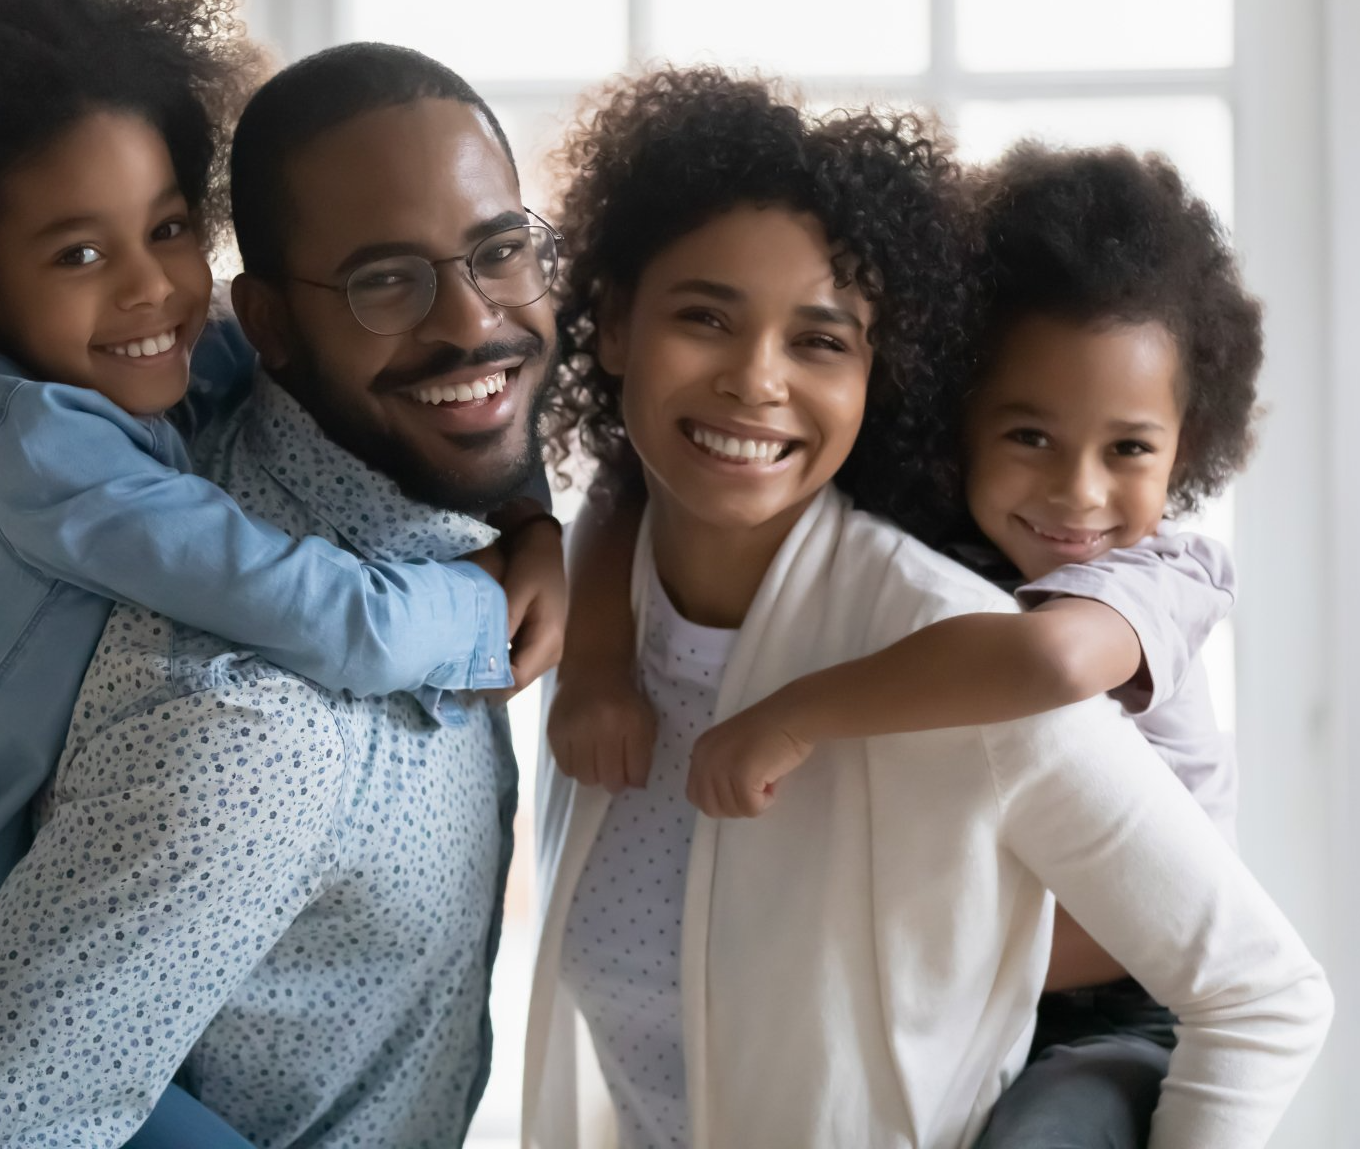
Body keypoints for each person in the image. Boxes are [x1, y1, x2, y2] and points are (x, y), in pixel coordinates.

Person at [0, 0, 559, 1149]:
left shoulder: (160, 363)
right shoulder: (53, 462)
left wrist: (536, 521)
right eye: (79, 253)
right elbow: (311, 611)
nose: (153, 287)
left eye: (167, 230)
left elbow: (432, 374)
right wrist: (487, 610)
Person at [525, 67, 1330, 1149]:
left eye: (818, 339)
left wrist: (793, 714)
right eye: (704, 316)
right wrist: (594, 664)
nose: (755, 380)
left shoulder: (977, 650)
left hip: (1109, 1013)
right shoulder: (611, 596)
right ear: (613, 324)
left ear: (875, 372)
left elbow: (1260, 994)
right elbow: (624, 479)